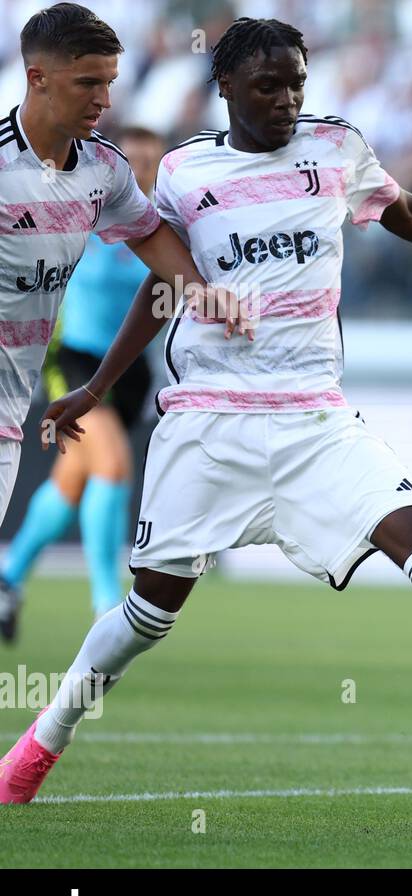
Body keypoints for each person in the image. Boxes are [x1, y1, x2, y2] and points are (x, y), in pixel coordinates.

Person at [0, 17, 412, 806]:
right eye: (268, 85)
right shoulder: (185, 172)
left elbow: (403, 211)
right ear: (225, 86)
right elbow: (157, 279)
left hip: (315, 419)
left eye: (297, 82)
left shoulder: (334, 148)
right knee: (144, 615)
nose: (287, 99)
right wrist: (97, 386)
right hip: (210, 422)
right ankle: (39, 743)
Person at [0, 3, 226, 535]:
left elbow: (146, 230)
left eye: (110, 83)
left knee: (88, 475)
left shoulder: (104, 168)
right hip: (45, 372)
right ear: (38, 78)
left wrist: (201, 292)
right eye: (88, 83)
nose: (104, 100)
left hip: (12, 406)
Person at [0, 127, 165, 642]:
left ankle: (6, 581)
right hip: (73, 358)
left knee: (72, 480)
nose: (140, 171)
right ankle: (106, 607)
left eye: (150, 163)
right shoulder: (87, 210)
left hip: (129, 367)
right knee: (113, 465)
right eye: (132, 160)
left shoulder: (160, 225)